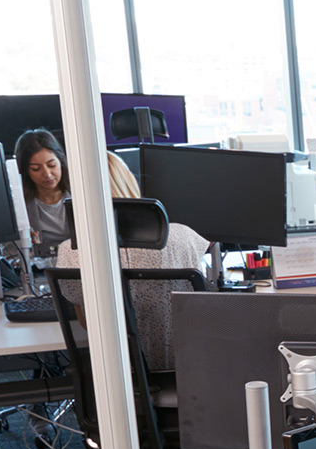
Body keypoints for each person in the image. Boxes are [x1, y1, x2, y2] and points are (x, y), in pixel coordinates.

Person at [54, 153, 213, 372]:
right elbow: (200, 309)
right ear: (129, 181)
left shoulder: (72, 250)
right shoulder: (185, 237)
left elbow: (88, 323)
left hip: (119, 377)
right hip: (188, 371)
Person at [15, 130, 71, 257]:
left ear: (61, 162)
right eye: (36, 169)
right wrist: (26, 247)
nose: (47, 174)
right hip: (43, 266)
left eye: (51, 165)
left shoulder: (80, 193)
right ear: (25, 171)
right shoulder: (20, 204)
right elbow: (12, 253)